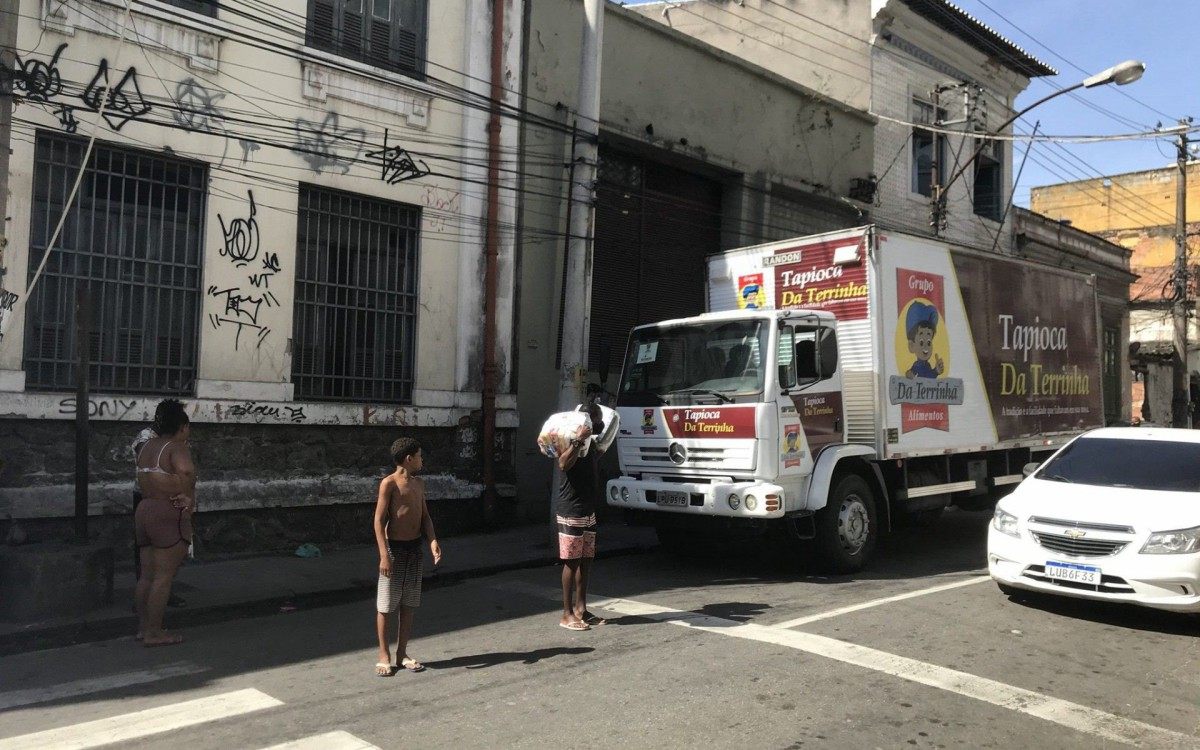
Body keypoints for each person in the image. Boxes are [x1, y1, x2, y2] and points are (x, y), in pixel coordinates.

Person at [374, 437, 442, 676]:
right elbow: (379, 521)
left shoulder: (419, 484)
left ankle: (402, 653)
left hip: (414, 549)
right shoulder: (389, 484)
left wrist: (432, 540)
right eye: (420, 456)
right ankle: (384, 655)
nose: (422, 460)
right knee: (386, 605)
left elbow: (425, 517)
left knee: (409, 603)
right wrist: (384, 555)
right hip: (394, 550)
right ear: (409, 458)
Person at [133, 399, 196, 647]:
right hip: (166, 511)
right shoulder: (176, 447)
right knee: (163, 577)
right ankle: (155, 632)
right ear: (182, 426)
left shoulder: (147, 446)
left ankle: (143, 628)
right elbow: (187, 471)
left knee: (146, 576)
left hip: (144, 508)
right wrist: (188, 495)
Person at [555, 401, 609, 631]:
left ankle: (581, 609)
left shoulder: (592, 444)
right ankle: (566, 614)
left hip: (588, 509)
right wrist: (578, 440)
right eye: (594, 418)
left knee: (586, 560)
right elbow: (563, 464)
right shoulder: (569, 440)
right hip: (571, 509)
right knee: (572, 561)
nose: (597, 423)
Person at [904, 302, 945, 379]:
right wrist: (908, 374)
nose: (926, 347)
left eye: (929, 342)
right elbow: (910, 374)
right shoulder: (917, 366)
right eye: (921, 343)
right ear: (911, 346)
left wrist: (936, 371)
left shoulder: (928, 365)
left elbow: (929, 378)